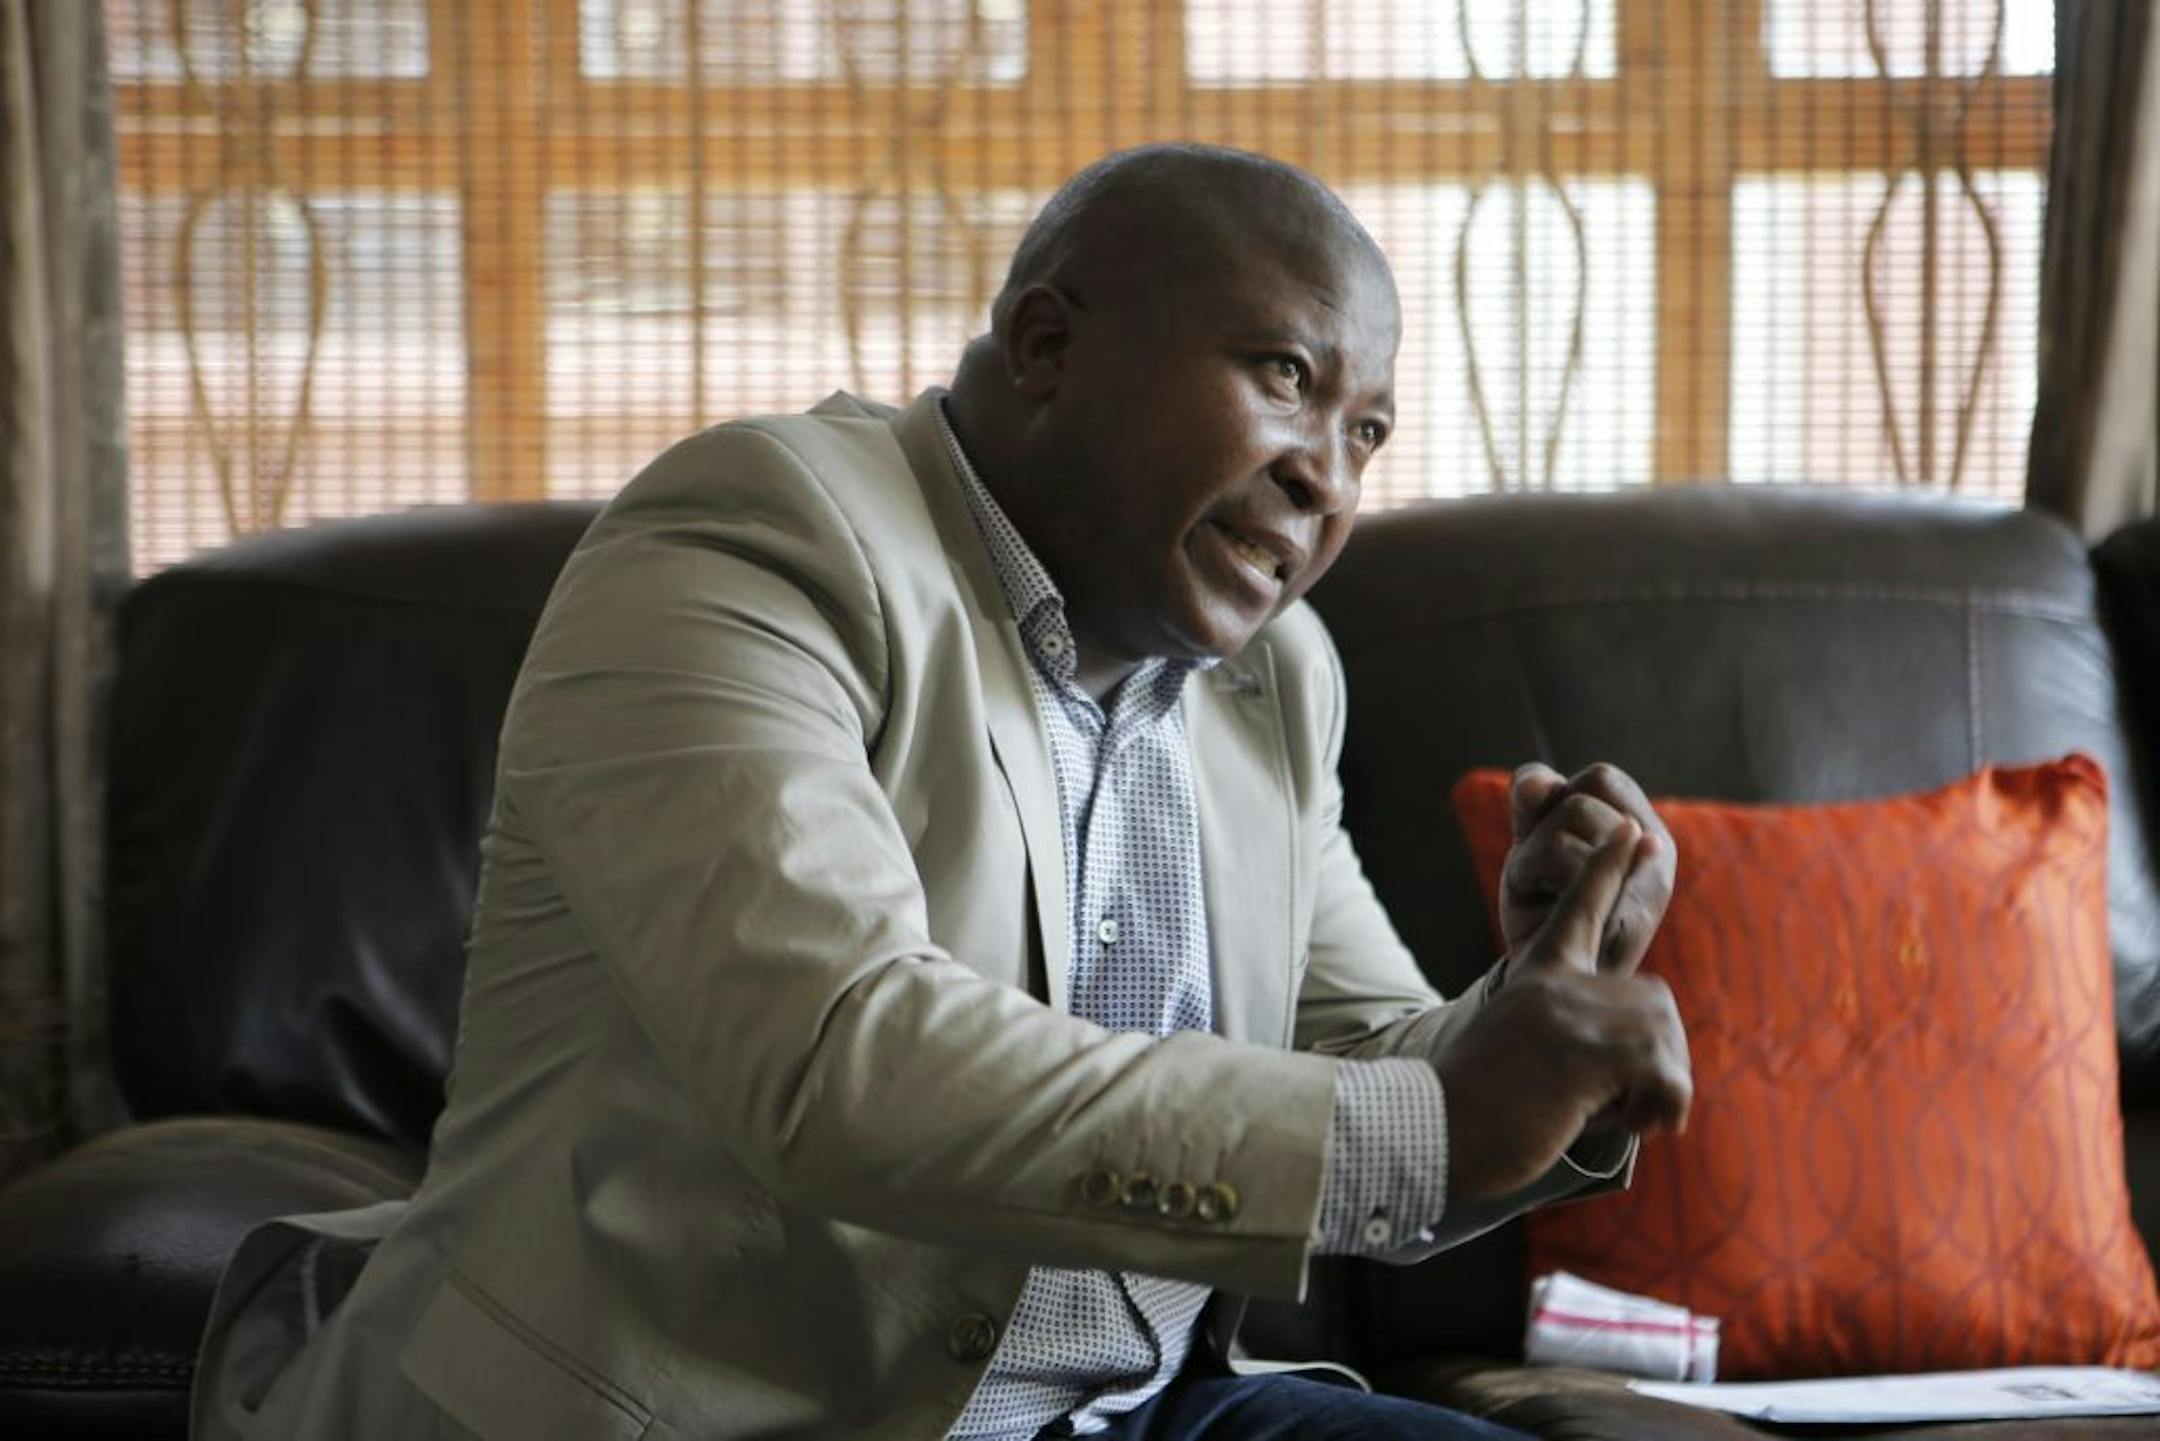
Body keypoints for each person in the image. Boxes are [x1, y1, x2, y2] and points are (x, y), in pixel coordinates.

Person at [192, 143, 1691, 1441]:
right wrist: (1429, 1122)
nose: (1330, 481)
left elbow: (1373, 1073)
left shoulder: (1275, 678)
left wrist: (1536, 1006)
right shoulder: (755, 541)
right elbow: (841, 1059)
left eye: (1365, 431)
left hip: (1125, 1407)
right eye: (1286, 379)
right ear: (1044, 344)